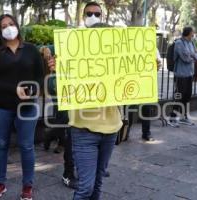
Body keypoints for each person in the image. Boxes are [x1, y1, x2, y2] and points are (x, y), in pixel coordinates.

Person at [48, 2, 122, 200]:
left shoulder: (116, 56)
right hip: (84, 130)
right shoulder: (72, 47)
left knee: (97, 185)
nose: (93, 16)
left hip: (111, 129)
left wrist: (148, 68)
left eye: (96, 13)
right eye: (89, 13)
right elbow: (55, 87)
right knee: (85, 189)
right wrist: (56, 69)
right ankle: (68, 171)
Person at [0, 14, 44, 200]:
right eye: (4, 26)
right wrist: (14, 89)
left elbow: (40, 77)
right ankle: (0, 184)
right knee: (1, 144)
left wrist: (34, 90)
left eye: (11, 24)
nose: (9, 28)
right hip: (1, 106)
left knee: (26, 146)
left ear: (17, 26)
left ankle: (27, 186)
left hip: (27, 107)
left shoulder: (31, 50)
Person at [41, 46, 77, 189]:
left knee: (66, 124)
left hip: (80, 94)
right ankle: (69, 172)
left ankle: (51, 135)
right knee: (66, 123)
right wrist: (45, 50)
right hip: (61, 91)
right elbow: (42, 49)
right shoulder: (61, 44)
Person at [168, 26, 197, 127]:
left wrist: (193, 56)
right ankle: (172, 118)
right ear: (188, 33)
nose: (193, 35)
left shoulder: (191, 42)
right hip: (180, 74)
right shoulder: (179, 43)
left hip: (190, 73)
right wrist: (193, 56)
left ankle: (183, 117)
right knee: (179, 96)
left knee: (187, 96)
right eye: (192, 33)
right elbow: (185, 58)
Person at [127, 50, 162, 141]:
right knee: (130, 108)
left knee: (146, 109)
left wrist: (157, 65)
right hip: (131, 81)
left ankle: (146, 133)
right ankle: (125, 132)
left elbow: (158, 64)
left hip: (145, 81)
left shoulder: (152, 47)